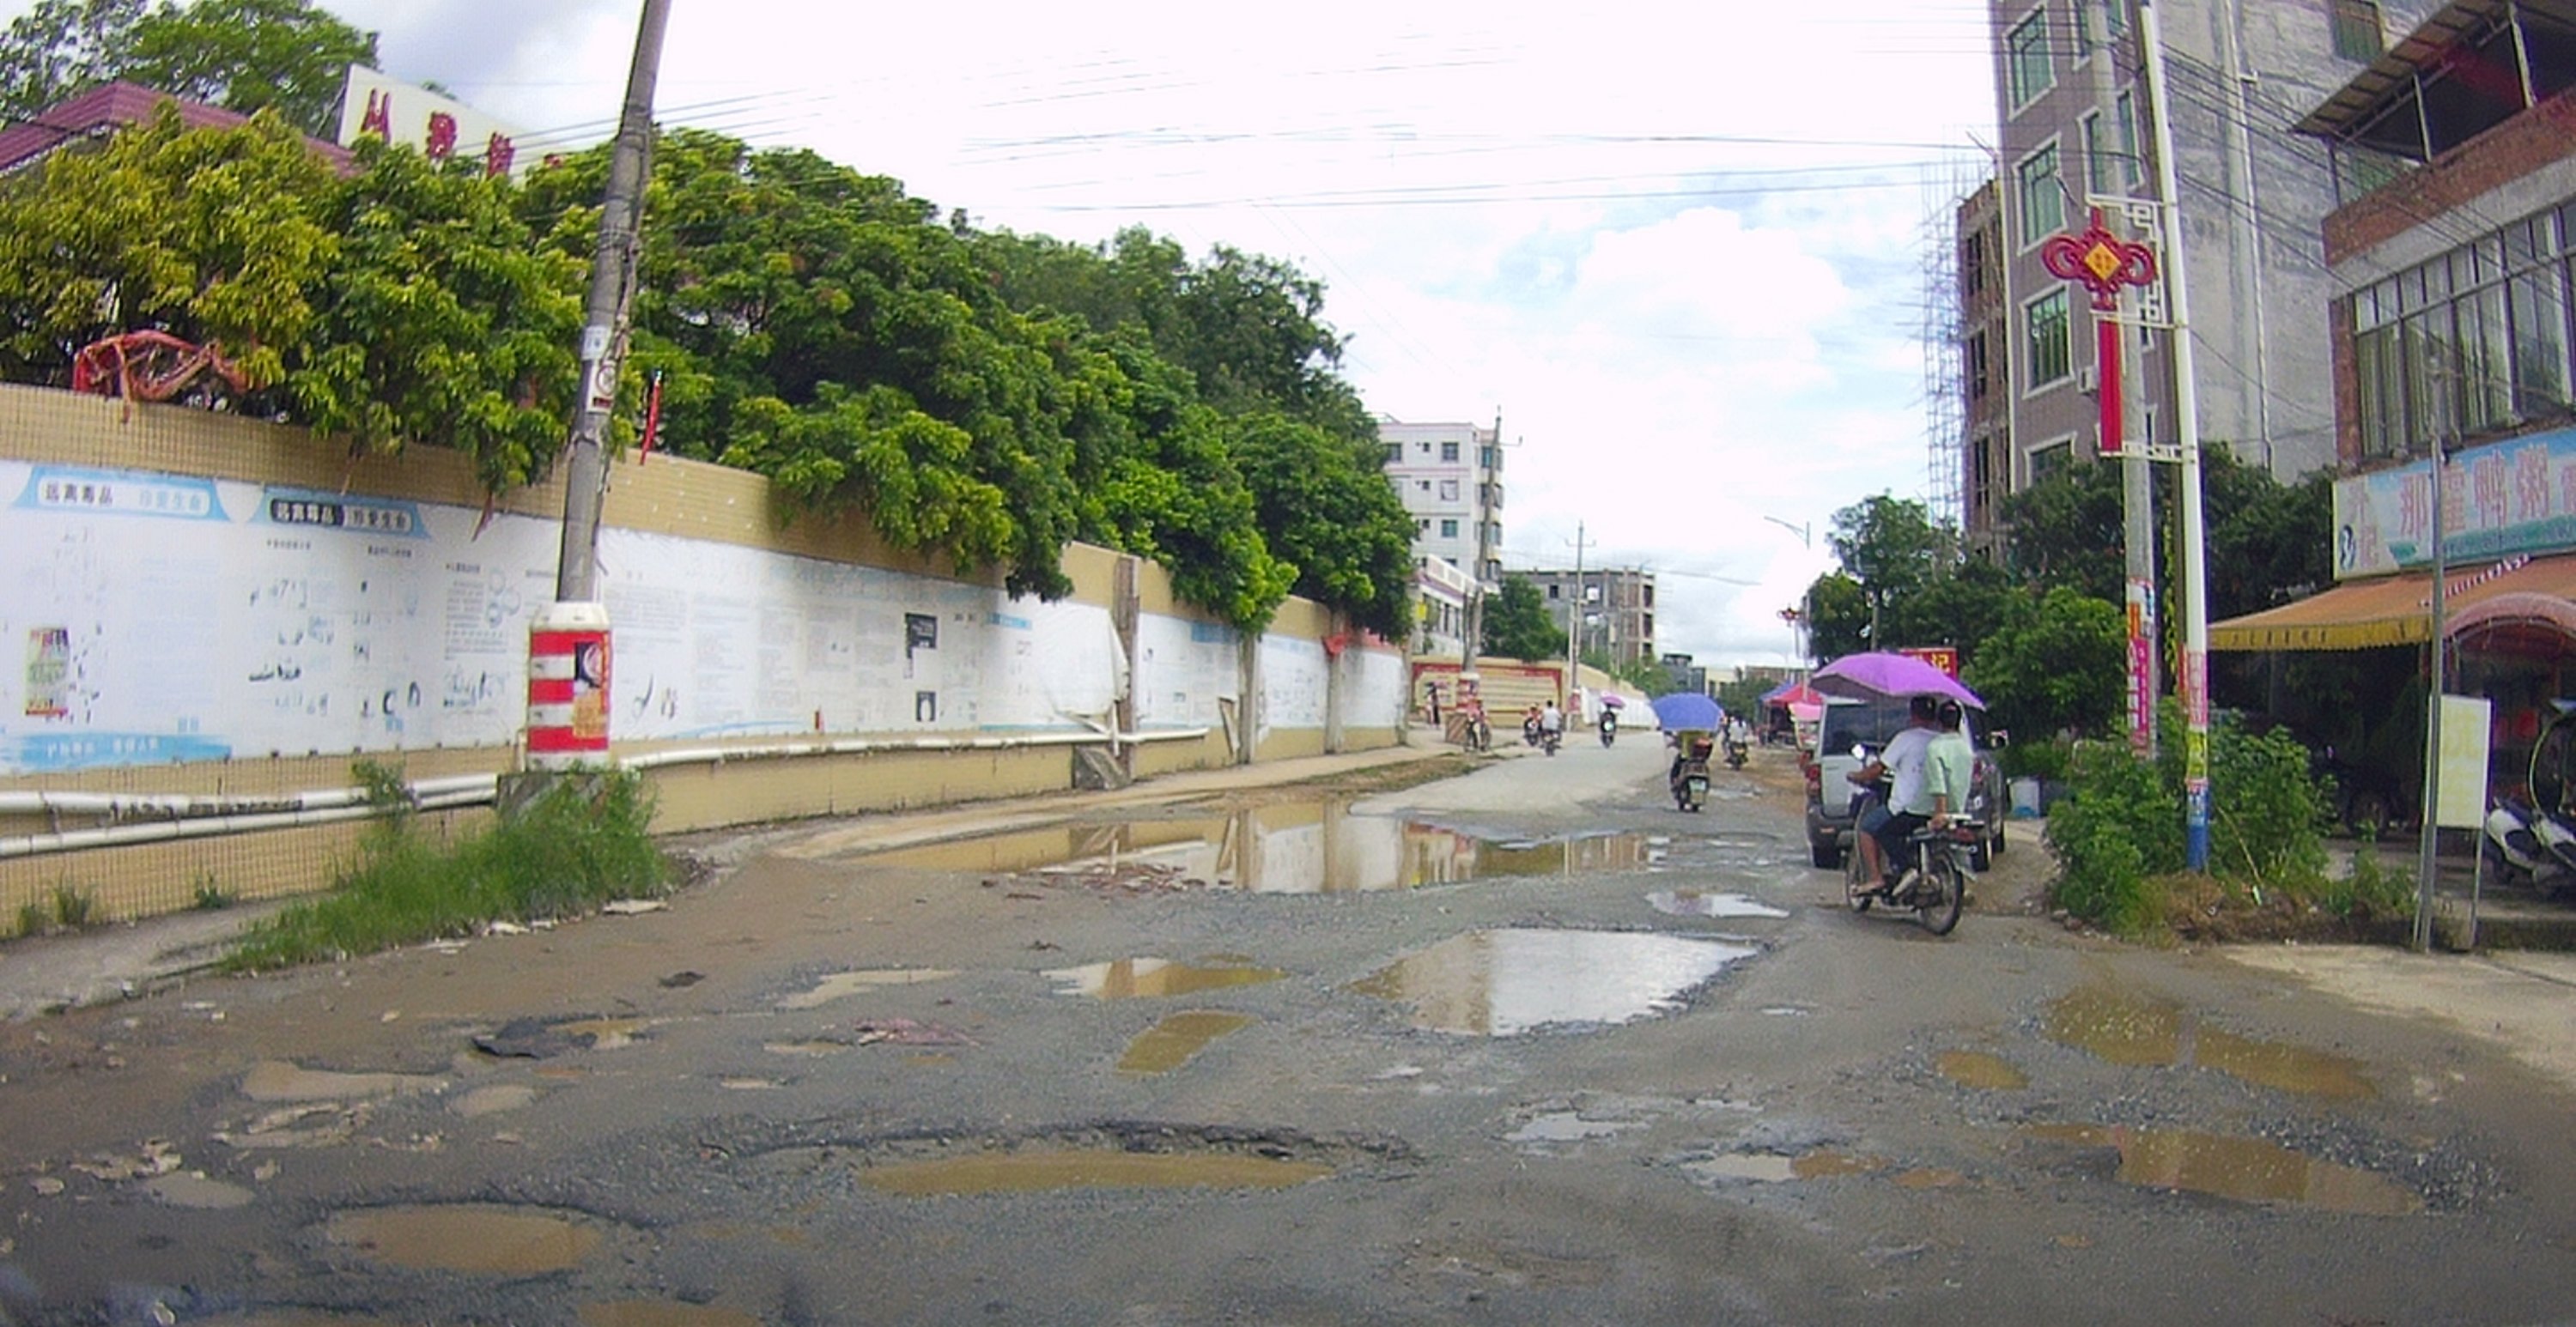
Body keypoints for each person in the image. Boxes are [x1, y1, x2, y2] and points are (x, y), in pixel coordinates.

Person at [1852, 695, 1941, 889]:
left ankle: (1876, 878)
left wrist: (1857, 776)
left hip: (1905, 807)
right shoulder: (1940, 741)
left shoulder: (1905, 739)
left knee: (1867, 828)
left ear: (1912, 714)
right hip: (1936, 808)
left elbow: (1878, 769)